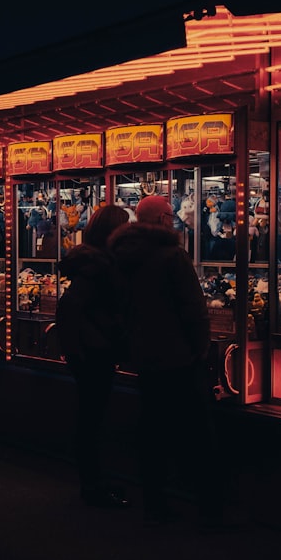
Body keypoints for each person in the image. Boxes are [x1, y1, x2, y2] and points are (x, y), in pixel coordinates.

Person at [108, 194, 233, 531]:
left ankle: (155, 501)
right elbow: (193, 310)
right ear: (162, 220)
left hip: (146, 358)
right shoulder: (172, 256)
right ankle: (211, 507)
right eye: (170, 214)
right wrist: (199, 350)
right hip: (179, 358)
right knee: (198, 435)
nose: (174, 218)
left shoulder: (122, 256)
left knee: (154, 432)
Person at [56, 204, 132, 509]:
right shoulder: (98, 266)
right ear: (113, 230)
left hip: (90, 350)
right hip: (93, 352)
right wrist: (102, 335)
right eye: (125, 225)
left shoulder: (94, 262)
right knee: (92, 418)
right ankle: (93, 485)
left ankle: (94, 481)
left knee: (91, 417)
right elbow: (72, 307)